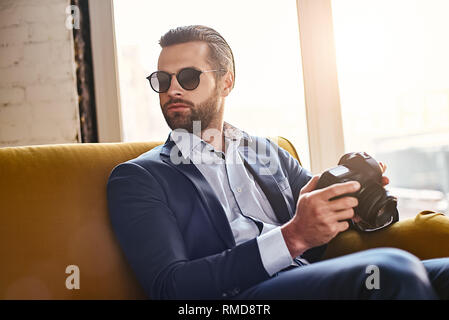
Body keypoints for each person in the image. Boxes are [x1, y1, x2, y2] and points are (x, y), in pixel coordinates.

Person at [107, 25, 449, 299]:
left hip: (305, 279)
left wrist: (350, 209)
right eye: (163, 80)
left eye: (189, 77)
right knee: (392, 270)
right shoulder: (139, 177)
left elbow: (318, 228)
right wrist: (293, 237)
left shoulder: (266, 151)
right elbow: (170, 287)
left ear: (226, 82)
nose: (173, 91)